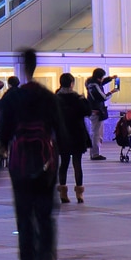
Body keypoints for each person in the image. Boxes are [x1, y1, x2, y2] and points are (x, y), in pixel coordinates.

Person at [0, 49, 61, 260]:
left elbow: (4, 132)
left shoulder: (13, 97)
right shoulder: (47, 96)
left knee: (24, 216)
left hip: (21, 164)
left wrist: (3, 154)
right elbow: (59, 130)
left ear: (22, 67)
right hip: (46, 164)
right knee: (45, 215)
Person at [55, 72, 90, 202]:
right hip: (77, 133)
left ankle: (63, 193)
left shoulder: (55, 99)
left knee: (63, 163)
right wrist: (84, 99)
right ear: (72, 84)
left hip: (62, 134)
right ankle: (79, 194)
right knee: (77, 164)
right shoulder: (77, 98)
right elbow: (87, 111)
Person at [85, 68, 111, 160]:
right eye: (101, 77)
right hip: (96, 111)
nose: (102, 79)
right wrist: (112, 92)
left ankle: (94, 153)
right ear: (98, 78)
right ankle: (95, 154)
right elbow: (103, 97)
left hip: (92, 110)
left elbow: (100, 83)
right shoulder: (94, 86)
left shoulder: (89, 83)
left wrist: (110, 78)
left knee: (95, 132)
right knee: (97, 133)